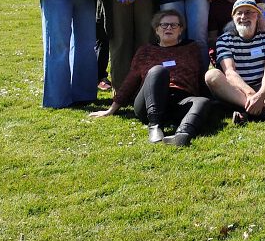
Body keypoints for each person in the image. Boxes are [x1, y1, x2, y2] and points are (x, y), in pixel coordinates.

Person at [90, 10, 211, 146]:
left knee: (203, 102)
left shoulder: (191, 48)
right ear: (156, 30)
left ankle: (183, 134)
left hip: (181, 99)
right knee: (159, 71)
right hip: (149, 103)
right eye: (164, 25)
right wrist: (111, 109)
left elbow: (200, 75)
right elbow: (132, 79)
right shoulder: (146, 51)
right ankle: (155, 126)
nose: (169, 28)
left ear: (181, 29)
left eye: (174, 25)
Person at [205, 0, 265, 124]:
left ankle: (253, 109)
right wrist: (250, 94)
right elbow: (229, 72)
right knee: (211, 75)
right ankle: (263, 111)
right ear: (233, 18)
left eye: (249, 12)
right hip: (237, 90)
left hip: (264, 88)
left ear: (257, 16)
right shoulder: (224, 40)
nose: (244, 16)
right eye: (239, 13)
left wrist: (261, 94)